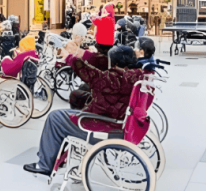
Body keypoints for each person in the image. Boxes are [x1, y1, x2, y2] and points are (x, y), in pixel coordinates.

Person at [23, 44, 144, 176]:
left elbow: (90, 74)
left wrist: (69, 58)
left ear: (114, 62)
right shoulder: (134, 76)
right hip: (116, 120)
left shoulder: (114, 79)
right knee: (74, 104)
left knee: (54, 117)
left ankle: (44, 164)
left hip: (103, 125)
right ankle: (54, 154)